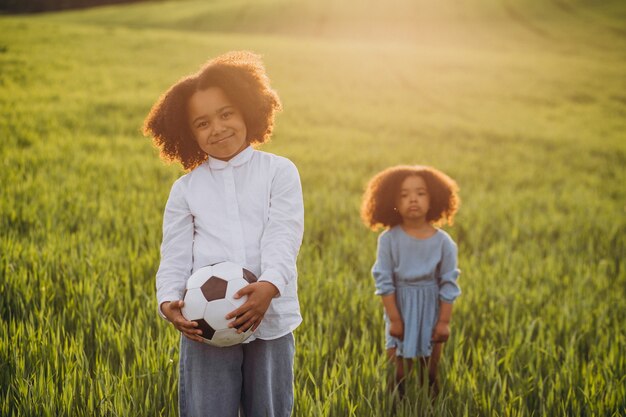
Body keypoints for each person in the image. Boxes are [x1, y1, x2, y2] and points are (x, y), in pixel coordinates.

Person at [143, 51, 304, 417]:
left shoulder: (279, 172)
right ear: (187, 133)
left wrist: (269, 286)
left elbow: (284, 233)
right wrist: (168, 301)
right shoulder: (185, 190)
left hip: (270, 317)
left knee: (271, 410)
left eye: (226, 114)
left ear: (248, 109)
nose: (217, 128)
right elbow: (175, 254)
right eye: (202, 123)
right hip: (203, 325)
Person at [360, 165, 461, 399]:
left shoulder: (444, 242)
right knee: (398, 369)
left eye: (421, 193)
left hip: (431, 307)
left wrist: (444, 322)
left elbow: (449, 284)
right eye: (404, 195)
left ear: (433, 198)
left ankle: (431, 403)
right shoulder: (388, 240)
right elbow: (384, 280)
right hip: (400, 306)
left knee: (431, 368)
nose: (412, 199)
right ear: (392, 201)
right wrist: (394, 319)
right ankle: (398, 403)